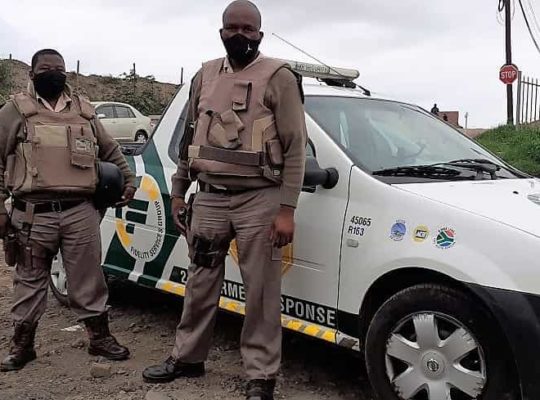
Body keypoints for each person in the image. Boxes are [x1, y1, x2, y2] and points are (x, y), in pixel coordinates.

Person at [142, 1, 307, 399]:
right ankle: (188, 358)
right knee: (199, 282)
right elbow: (190, 140)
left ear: (260, 35)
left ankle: (260, 375)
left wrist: (287, 209)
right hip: (211, 198)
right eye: (232, 27)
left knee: (261, 291)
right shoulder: (204, 74)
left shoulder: (279, 77)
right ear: (220, 31)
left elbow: (296, 147)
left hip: (259, 200)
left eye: (248, 29)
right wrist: (179, 191)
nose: (240, 35)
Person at [0, 49, 136, 372]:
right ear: (32, 75)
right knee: (29, 281)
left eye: (59, 69)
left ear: (67, 74)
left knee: (89, 280)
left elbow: (111, 150)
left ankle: (99, 338)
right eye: (46, 68)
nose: (54, 73)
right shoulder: (15, 111)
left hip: (80, 212)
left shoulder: (84, 112)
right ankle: (23, 345)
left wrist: (127, 179)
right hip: (32, 214)